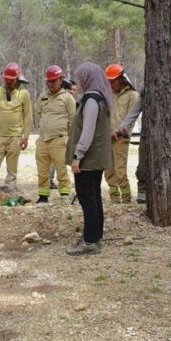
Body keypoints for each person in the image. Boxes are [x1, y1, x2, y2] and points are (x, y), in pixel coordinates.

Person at [114, 57, 171, 204]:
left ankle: (167, 199)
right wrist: (122, 127)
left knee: (166, 169)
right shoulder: (147, 89)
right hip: (147, 137)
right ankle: (143, 197)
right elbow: (135, 110)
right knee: (143, 169)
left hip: (167, 139)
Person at [65, 62, 112, 255]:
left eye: (81, 76)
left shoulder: (92, 100)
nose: (79, 80)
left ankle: (90, 242)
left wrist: (78, 155)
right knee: (94, 197)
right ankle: (96, 236)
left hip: (88, 159)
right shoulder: (100, 97)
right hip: (96, 157)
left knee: (87, 199)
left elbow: (88, 131)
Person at [0, 62, 32, 205]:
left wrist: (25, 137)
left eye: (11, 79)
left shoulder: (24, 94)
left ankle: (10, 197)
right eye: (6, 79)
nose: (9, 81)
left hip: (15, 137)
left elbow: (27, 117)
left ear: (17, 78)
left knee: (12, 170)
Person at [35, 65, 76, 203]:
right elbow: (38, 115)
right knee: (42, 170)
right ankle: (43, 195)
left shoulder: (67, 98)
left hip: (59, 140)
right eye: (49, 81)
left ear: (61, 79)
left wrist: (68, 138)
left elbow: (73, 119)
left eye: (53, 81)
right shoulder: (42, 97)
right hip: (43, 140)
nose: (51, 84)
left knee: (61, 168)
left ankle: (65, 194)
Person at [103, 63, 139, 203]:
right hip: (107, 138)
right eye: (109, 82)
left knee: (119, 170)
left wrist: (120, 132)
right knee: (108, 170)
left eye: (113, 81)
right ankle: (114, 198)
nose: (111, 85)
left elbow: (131, 118)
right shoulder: (111, 96)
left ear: (121, 79)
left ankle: (126, 198)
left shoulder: (132, 95)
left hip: (120, 139)